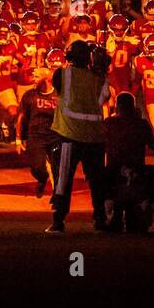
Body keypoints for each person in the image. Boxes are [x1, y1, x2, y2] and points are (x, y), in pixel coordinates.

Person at [46, 40, 110, 233]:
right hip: (95, 137)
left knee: (63, 179)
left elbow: (58, 90)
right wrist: (100, 68)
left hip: (68, 135)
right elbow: (104, 97)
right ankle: (100, 220)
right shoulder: (100, 78)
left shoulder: (62, 74)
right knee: (97, 181)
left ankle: (58, 221)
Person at [102, 92, 154, 232]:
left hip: (113, 172)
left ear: (117, 107)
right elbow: (153, 145)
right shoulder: (141, 124)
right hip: (137, 171)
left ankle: (114, 218)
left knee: (110, 187)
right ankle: (136, 216)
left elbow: (100, 143)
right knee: (135, 223)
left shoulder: (109, 123)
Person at [16, 50, 61, 197]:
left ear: (46, 79)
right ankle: (42, 180)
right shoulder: (29, 95)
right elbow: (21, 117)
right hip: (36, 137)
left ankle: (58, 195)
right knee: (37, 168)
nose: (33, 79)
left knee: (57, 167)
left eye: (36, 76)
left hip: (55, 135)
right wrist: (18, 138)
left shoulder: (59, 94)